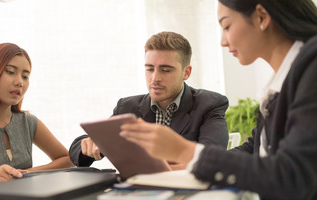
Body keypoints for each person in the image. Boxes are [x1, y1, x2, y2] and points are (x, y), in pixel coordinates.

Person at [120, 0, 317, 200]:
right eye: (149, 68)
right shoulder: (287, 80)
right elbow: (253, 149)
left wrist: (188, 153)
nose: (223, 41)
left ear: (262, 17)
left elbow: (293, 176)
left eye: (226, 26)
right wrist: (192, 165)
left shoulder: (311, 67)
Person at [69, 31, 229, 168]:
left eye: (165, 70)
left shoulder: (209, 104)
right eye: (149, 69)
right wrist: (88, 146)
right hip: (138, 194)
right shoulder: (127, 108)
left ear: (186, 72)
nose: (155, 78)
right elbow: (76, 149)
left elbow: (212, 156)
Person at [0, 43, 74, 187]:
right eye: (10, 72)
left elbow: (68, 159)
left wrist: (25, 174)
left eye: (25, 76)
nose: (20, 82)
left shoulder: (29, 122)